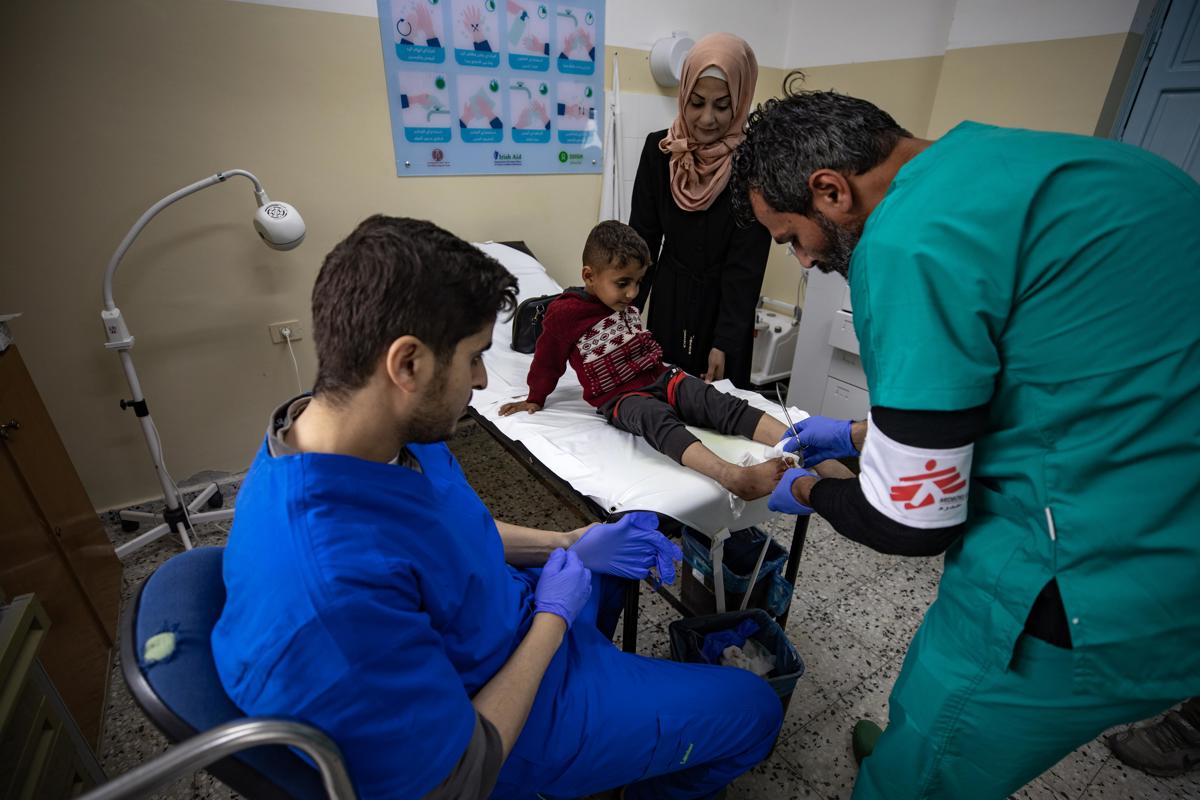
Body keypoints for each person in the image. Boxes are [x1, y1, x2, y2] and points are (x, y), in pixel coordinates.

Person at [729, 82, 1200, 799]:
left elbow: (910, 523)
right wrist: (862, 433)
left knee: (933, 755)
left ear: (830, 191)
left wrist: (808, 488)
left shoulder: (907, 241)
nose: (802, 260)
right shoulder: (1041, 165)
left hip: (1085, 584)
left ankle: (922, 755)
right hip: (1173, 533)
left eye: (791, 237)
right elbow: (1057, 380)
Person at [210, 215, 784, 800]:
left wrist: (569, 543)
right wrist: (552, 621)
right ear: (407, 365)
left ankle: (608, 703)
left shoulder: (373, 439)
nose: (484, 380)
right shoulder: (326, 591)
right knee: (756, 710)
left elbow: (458, 530)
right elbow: (456, 779)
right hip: (508, 725)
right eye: (474, 358)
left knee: (606, 573)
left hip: (510, 625)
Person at [500, 220, 787, 500]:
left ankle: (799, 439)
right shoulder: (565, 313)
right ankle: (731, 475)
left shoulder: (619, 299)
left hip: (661, 376)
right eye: (623, 283)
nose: (633, 293)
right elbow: (547, 360)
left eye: (638, 282)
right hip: (621, 397)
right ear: (589, 276)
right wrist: (536, 396)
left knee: (710, 398)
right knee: (655, 419)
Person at [628, 32, 770, 387]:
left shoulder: (752, 163)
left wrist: (725, 341)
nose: (707, 119)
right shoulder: (660, 150)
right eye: (696, 103)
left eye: (722, 106)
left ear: (739, 102)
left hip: (723, 309)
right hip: (670, 300)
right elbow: (641, 239)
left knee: (718, 409)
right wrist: (626, 314)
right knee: (662, 393)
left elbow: (746, 265)